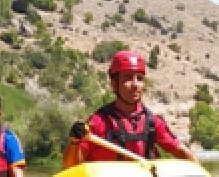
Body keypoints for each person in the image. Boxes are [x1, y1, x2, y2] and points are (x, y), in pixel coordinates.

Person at [62, 49, 199, 167]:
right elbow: (70, 167)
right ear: (114, 84)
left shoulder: (153, 122)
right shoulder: (98, 123)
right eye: (128, 78)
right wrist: (75, 142)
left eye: (139, 78)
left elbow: (183, 153)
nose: (135, 85)